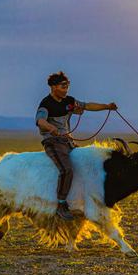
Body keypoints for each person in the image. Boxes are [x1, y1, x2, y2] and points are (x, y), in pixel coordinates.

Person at [35, 71, 117, 220]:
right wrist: (51, 128)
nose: (66, 89)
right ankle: (60, 205)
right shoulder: (46, 104)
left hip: (68, 141)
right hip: (53, 142)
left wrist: (107, 106)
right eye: (63, 86)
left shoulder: (69, 101)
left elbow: (87, 106)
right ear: (53, 87)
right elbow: (40, 120)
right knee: (66, 170)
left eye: (67, 86)